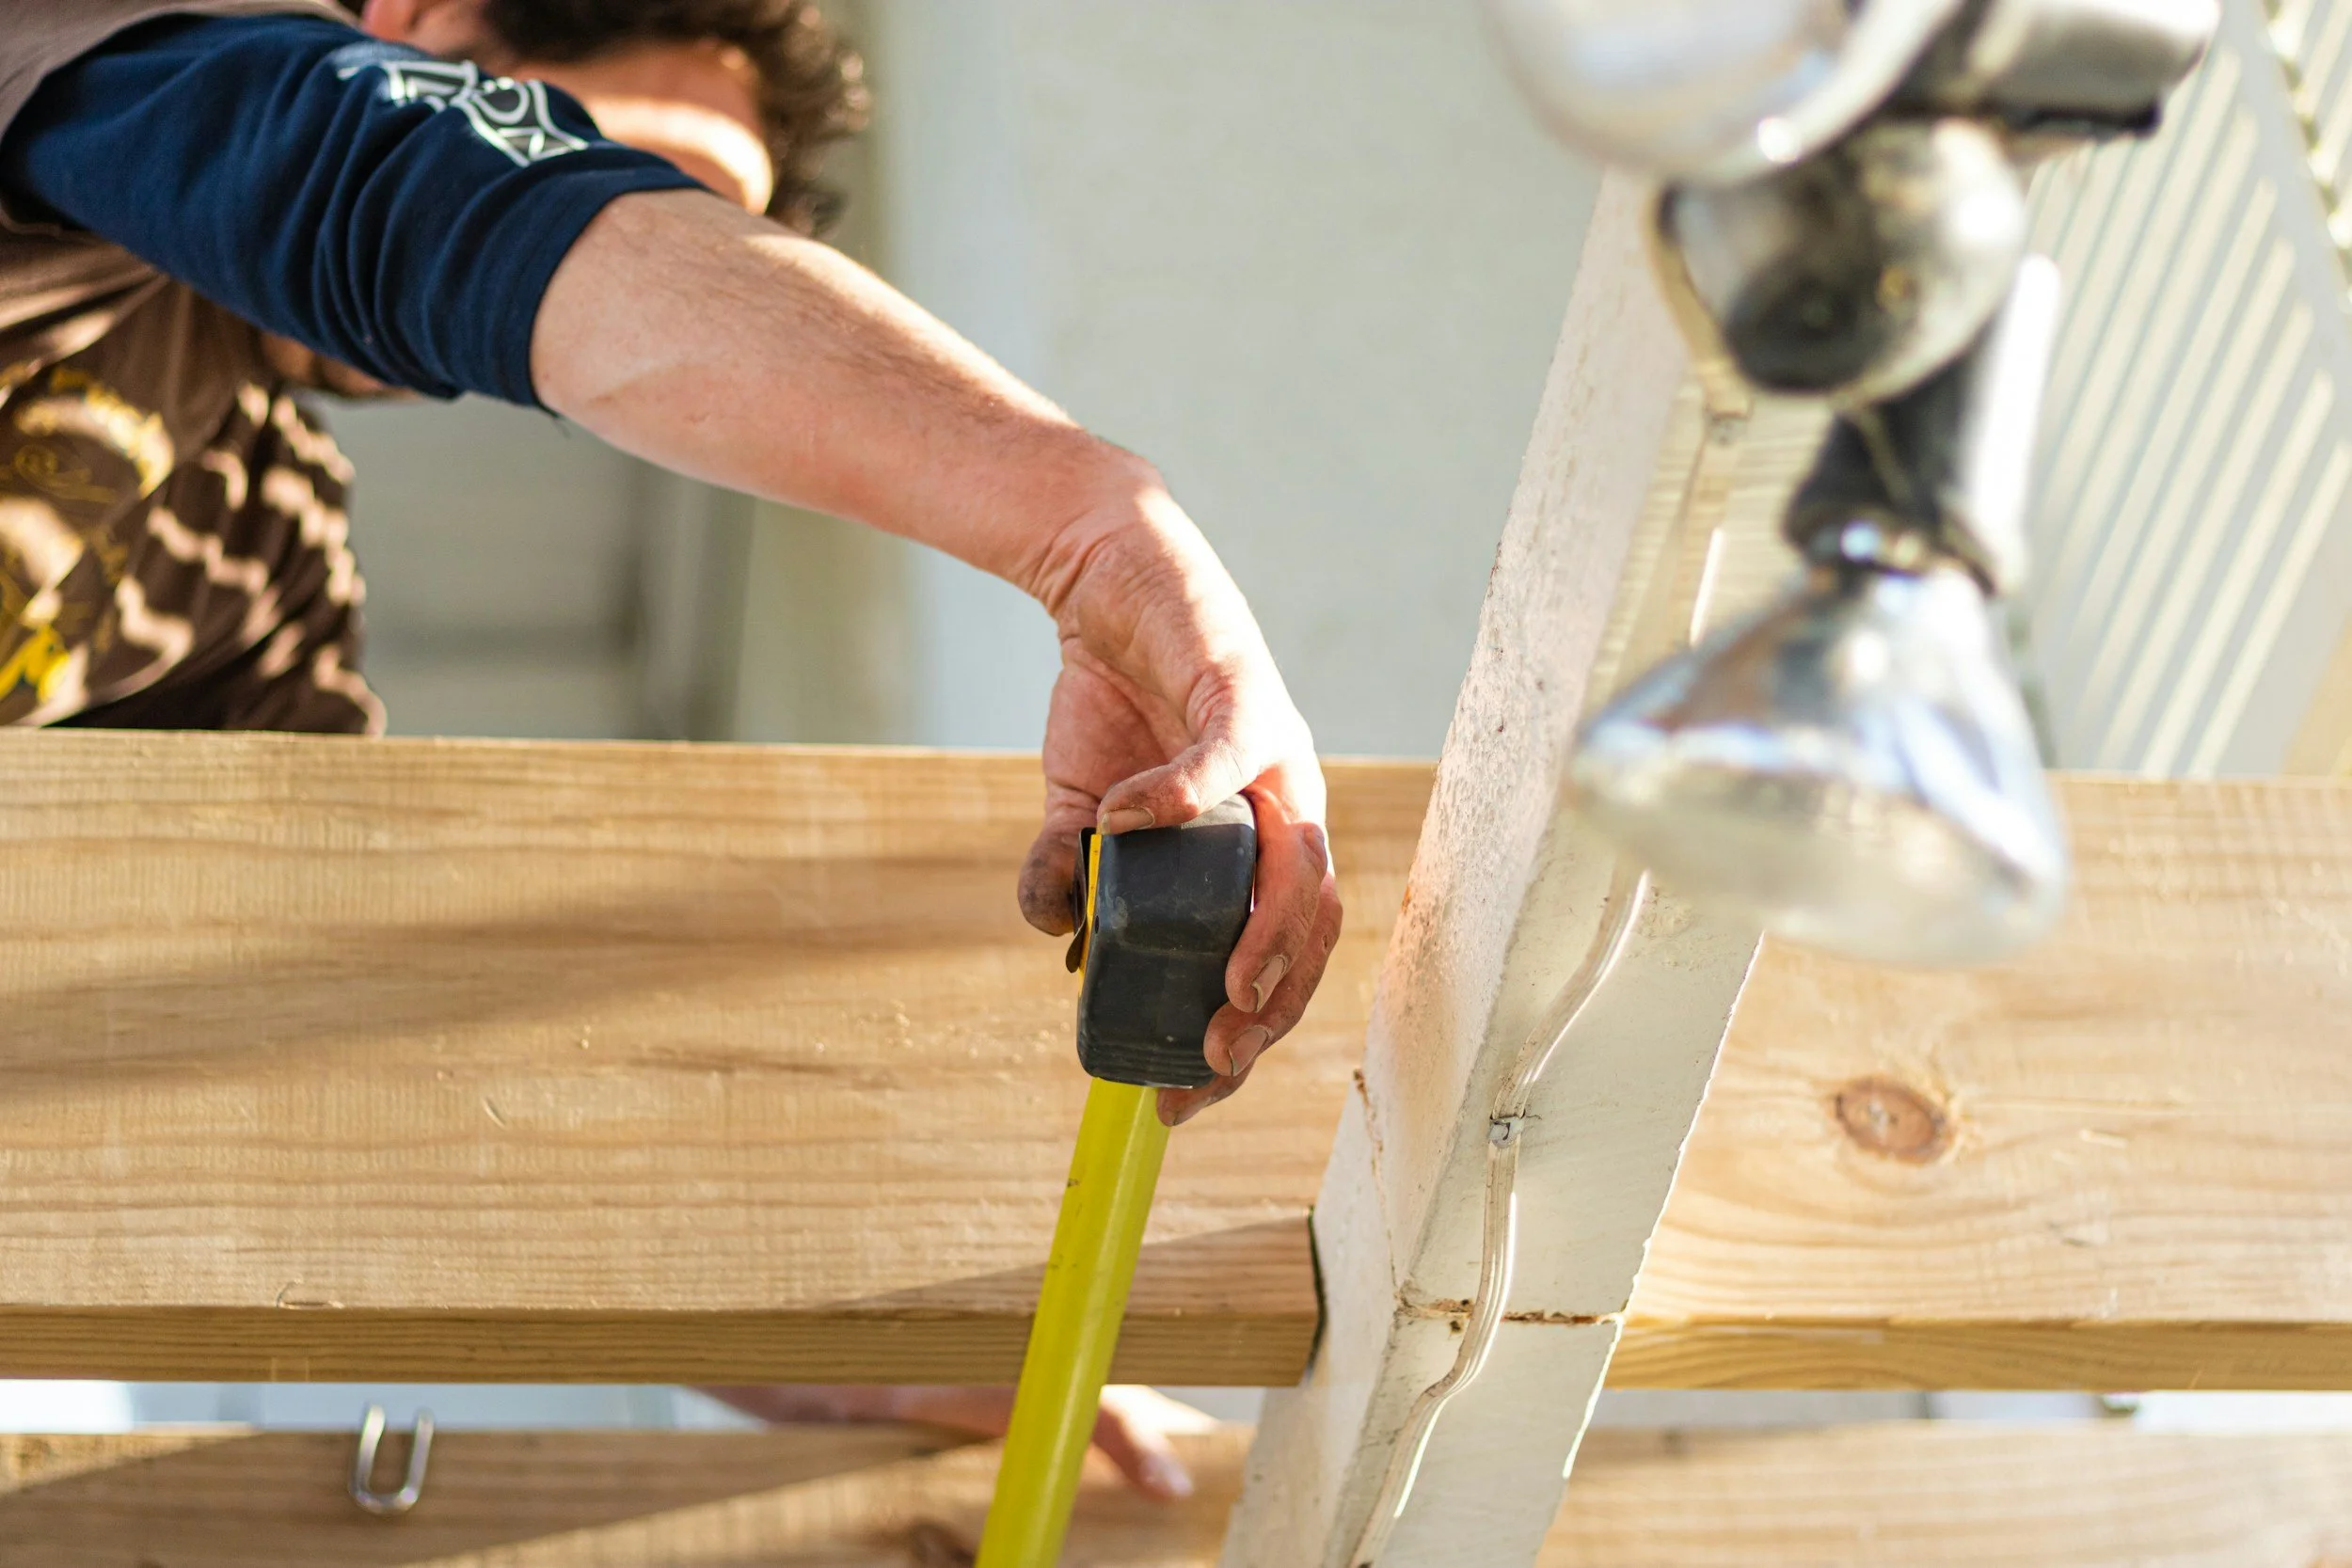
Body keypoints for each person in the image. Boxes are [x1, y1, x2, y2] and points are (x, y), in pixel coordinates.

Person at [0, 0, 1344, 1499]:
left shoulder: (251, 544)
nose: (653, 277)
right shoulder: (90, 50)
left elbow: (341, 1047)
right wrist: (1090, 525)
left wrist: (806, 1334)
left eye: (711, 234)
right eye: (610, 170)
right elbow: (400, 179)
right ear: (422, 27)